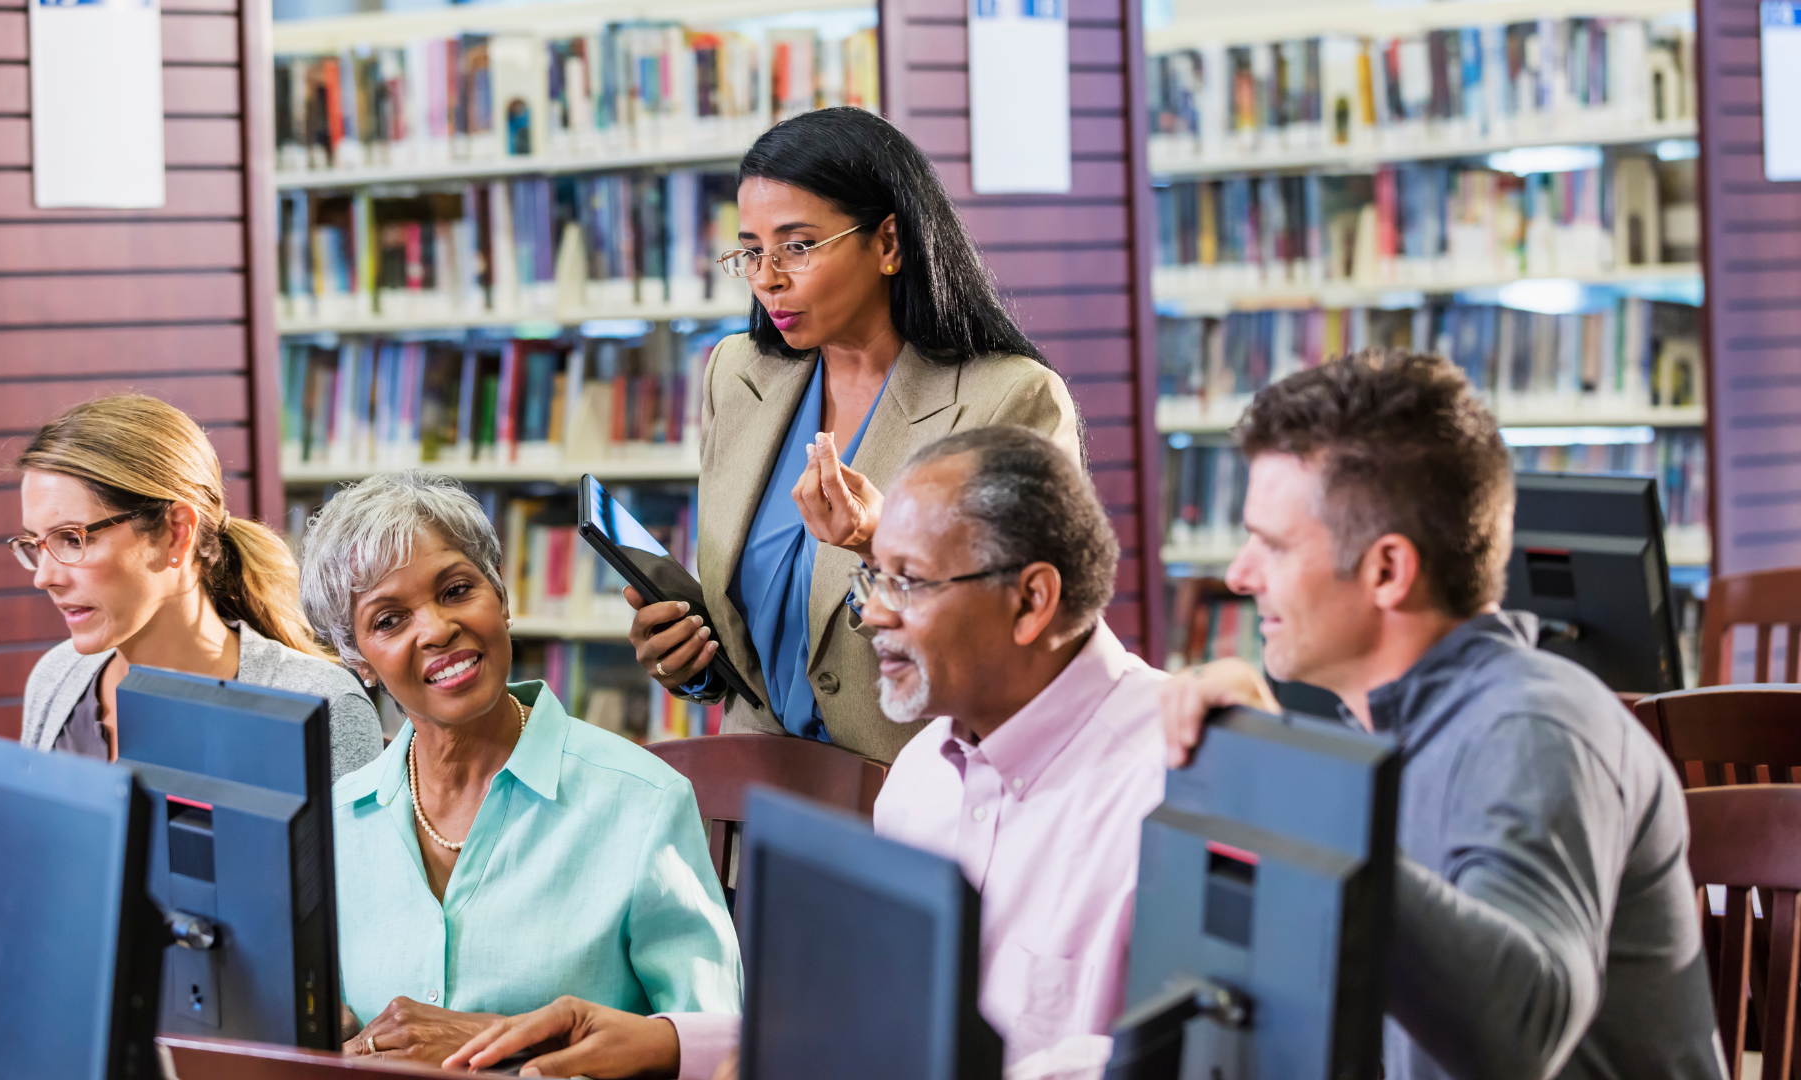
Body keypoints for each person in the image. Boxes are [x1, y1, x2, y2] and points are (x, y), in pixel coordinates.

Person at [447, 427, 1162, 1079]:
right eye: (872, 577)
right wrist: (666, 1044)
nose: (874, 613)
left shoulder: (1175, 789)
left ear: (1032, 600)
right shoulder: (920, 777)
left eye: (906, 582)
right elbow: (872, 1027)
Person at [1156, 351, 1723, 1080]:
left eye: (1271, 544)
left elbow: (1519, 1029)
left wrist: (1298, 788)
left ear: (1387, 571)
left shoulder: (1535, 729)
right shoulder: (1382, 736)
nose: (1239, 575)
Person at [0, 393, 382, 992]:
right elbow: (6, 919)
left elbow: (359, 957)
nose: (45, 575)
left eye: (72, 538)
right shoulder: (58, 679)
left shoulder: (316, 704)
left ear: (175, 532)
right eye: (34, 545)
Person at [629, 106, 1081, 764]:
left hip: (923, 801)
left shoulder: (1009, 400)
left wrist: (879, 545)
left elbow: (1022, 639)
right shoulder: (738, 376)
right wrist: (694, 660)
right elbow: (759, 638)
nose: (767, 279)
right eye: (752, 252)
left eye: (798, 246)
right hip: (761, 800)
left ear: (889, 243)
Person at [296, 471, 740, 1064]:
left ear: (501, 596)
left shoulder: (643, 802)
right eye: (389, 620)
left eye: (455, 590)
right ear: (357, 660)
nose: (436, 628)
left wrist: (496, 1045)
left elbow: (718, 1053)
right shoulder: (331, 825)